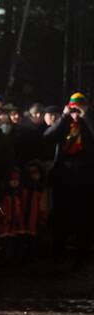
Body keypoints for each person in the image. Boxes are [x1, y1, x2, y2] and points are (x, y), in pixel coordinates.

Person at [44, 92, 94, 266]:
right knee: (60, 213)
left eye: (80, 106)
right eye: (74, 106)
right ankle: (58, 249)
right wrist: (64, 116)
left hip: (86, 174)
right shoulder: (65, 122)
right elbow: (48, 136)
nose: (76, 110)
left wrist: (86, 116)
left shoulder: (89, 121)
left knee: (84, 213)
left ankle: (84, 250)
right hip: (64, 174)